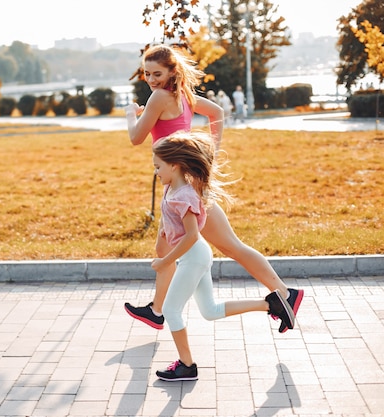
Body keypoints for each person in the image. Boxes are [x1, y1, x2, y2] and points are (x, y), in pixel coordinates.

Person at [124, 44, 303, 334]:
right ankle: (157, 310)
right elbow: (216, 111)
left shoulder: (158, 97)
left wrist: (131, 113)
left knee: (232, 246)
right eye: (147, 73)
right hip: (182, 183)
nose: (151, 79)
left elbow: (135, 137)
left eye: (157, 73)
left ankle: (285, 294)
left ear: (172, 71)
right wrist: (210, 151)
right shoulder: (181, 96)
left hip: (185, 188)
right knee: (163, 245)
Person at [151, 131, 294, 381]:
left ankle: (187, 365)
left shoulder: (184, 195)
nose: (156, 172)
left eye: (158, 166)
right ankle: (271, 305)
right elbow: (173, 223)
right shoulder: (171, 189)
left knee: (171, 310)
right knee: (210, 310)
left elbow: (192, 236)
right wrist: (165, 230)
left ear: (174, 166)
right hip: (193, 257)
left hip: (194, 256)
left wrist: (165, 261)